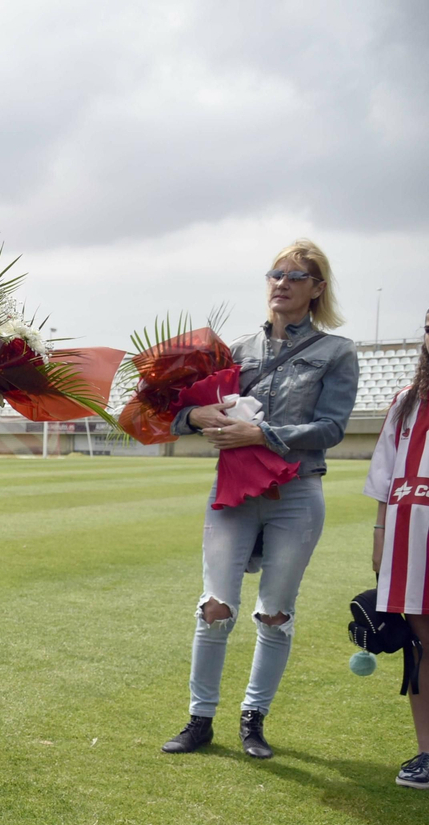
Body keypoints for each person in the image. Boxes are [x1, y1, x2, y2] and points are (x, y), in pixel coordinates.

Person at [162, 240, 358, 760]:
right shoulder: (233, 352)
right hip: (233, 491)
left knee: (275, 612)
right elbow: (181, 414)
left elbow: (333, 429)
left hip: (297, 494)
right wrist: (195, 418)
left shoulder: (336, 352)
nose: (281, 283)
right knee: (214, 608)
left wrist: (260, 434)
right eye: (275, 274)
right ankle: (199, 719)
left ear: (317, 289)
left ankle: (254, 719)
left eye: (295, 277)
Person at [363, 306, 429, 789]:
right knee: (421, 649)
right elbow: (386, 482)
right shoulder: (406, 401)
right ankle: (428, 752)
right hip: (409, 536)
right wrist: (380, 537)